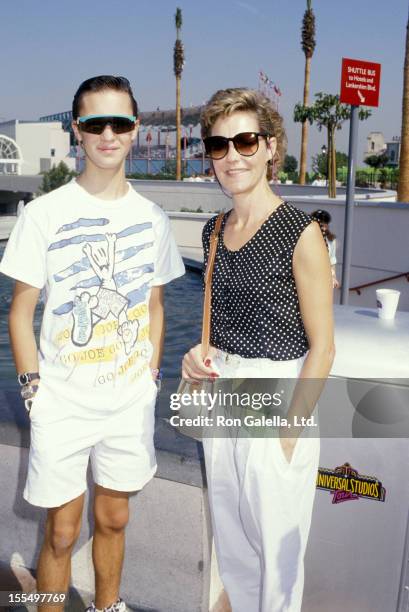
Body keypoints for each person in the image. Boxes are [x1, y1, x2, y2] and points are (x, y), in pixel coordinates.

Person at [0, 75, 184, 612]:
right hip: (62, 403)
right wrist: (35, 392)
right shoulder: (43, 214)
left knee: (114, 518)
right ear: (76, 130)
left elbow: (154, 305)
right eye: (96, 123)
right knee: (60, 529)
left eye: (121, 123)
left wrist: (149, 375)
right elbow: (21, 311)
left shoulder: (152, 219)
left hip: (128, 400)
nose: (109, 134)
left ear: (135, 130)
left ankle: (108, 607)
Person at [182, 88, 335, 612]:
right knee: (235, 546)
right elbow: (217, 326)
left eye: (245, 141)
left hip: (278, 396)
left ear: (271, 147)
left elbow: (323, 347)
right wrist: (194, 356)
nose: (232, 156)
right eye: (219, 145)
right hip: (224, 395)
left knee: (278, 556)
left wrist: (289, 432)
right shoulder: (213, 231)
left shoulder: (301, 232)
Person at [311, 209, 340, 289]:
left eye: (325, 225)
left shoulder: (331, 240)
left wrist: (333, 277)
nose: (323, 228)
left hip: (324, 279)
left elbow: (332, 260)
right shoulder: (307, 238)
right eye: (321, 225)